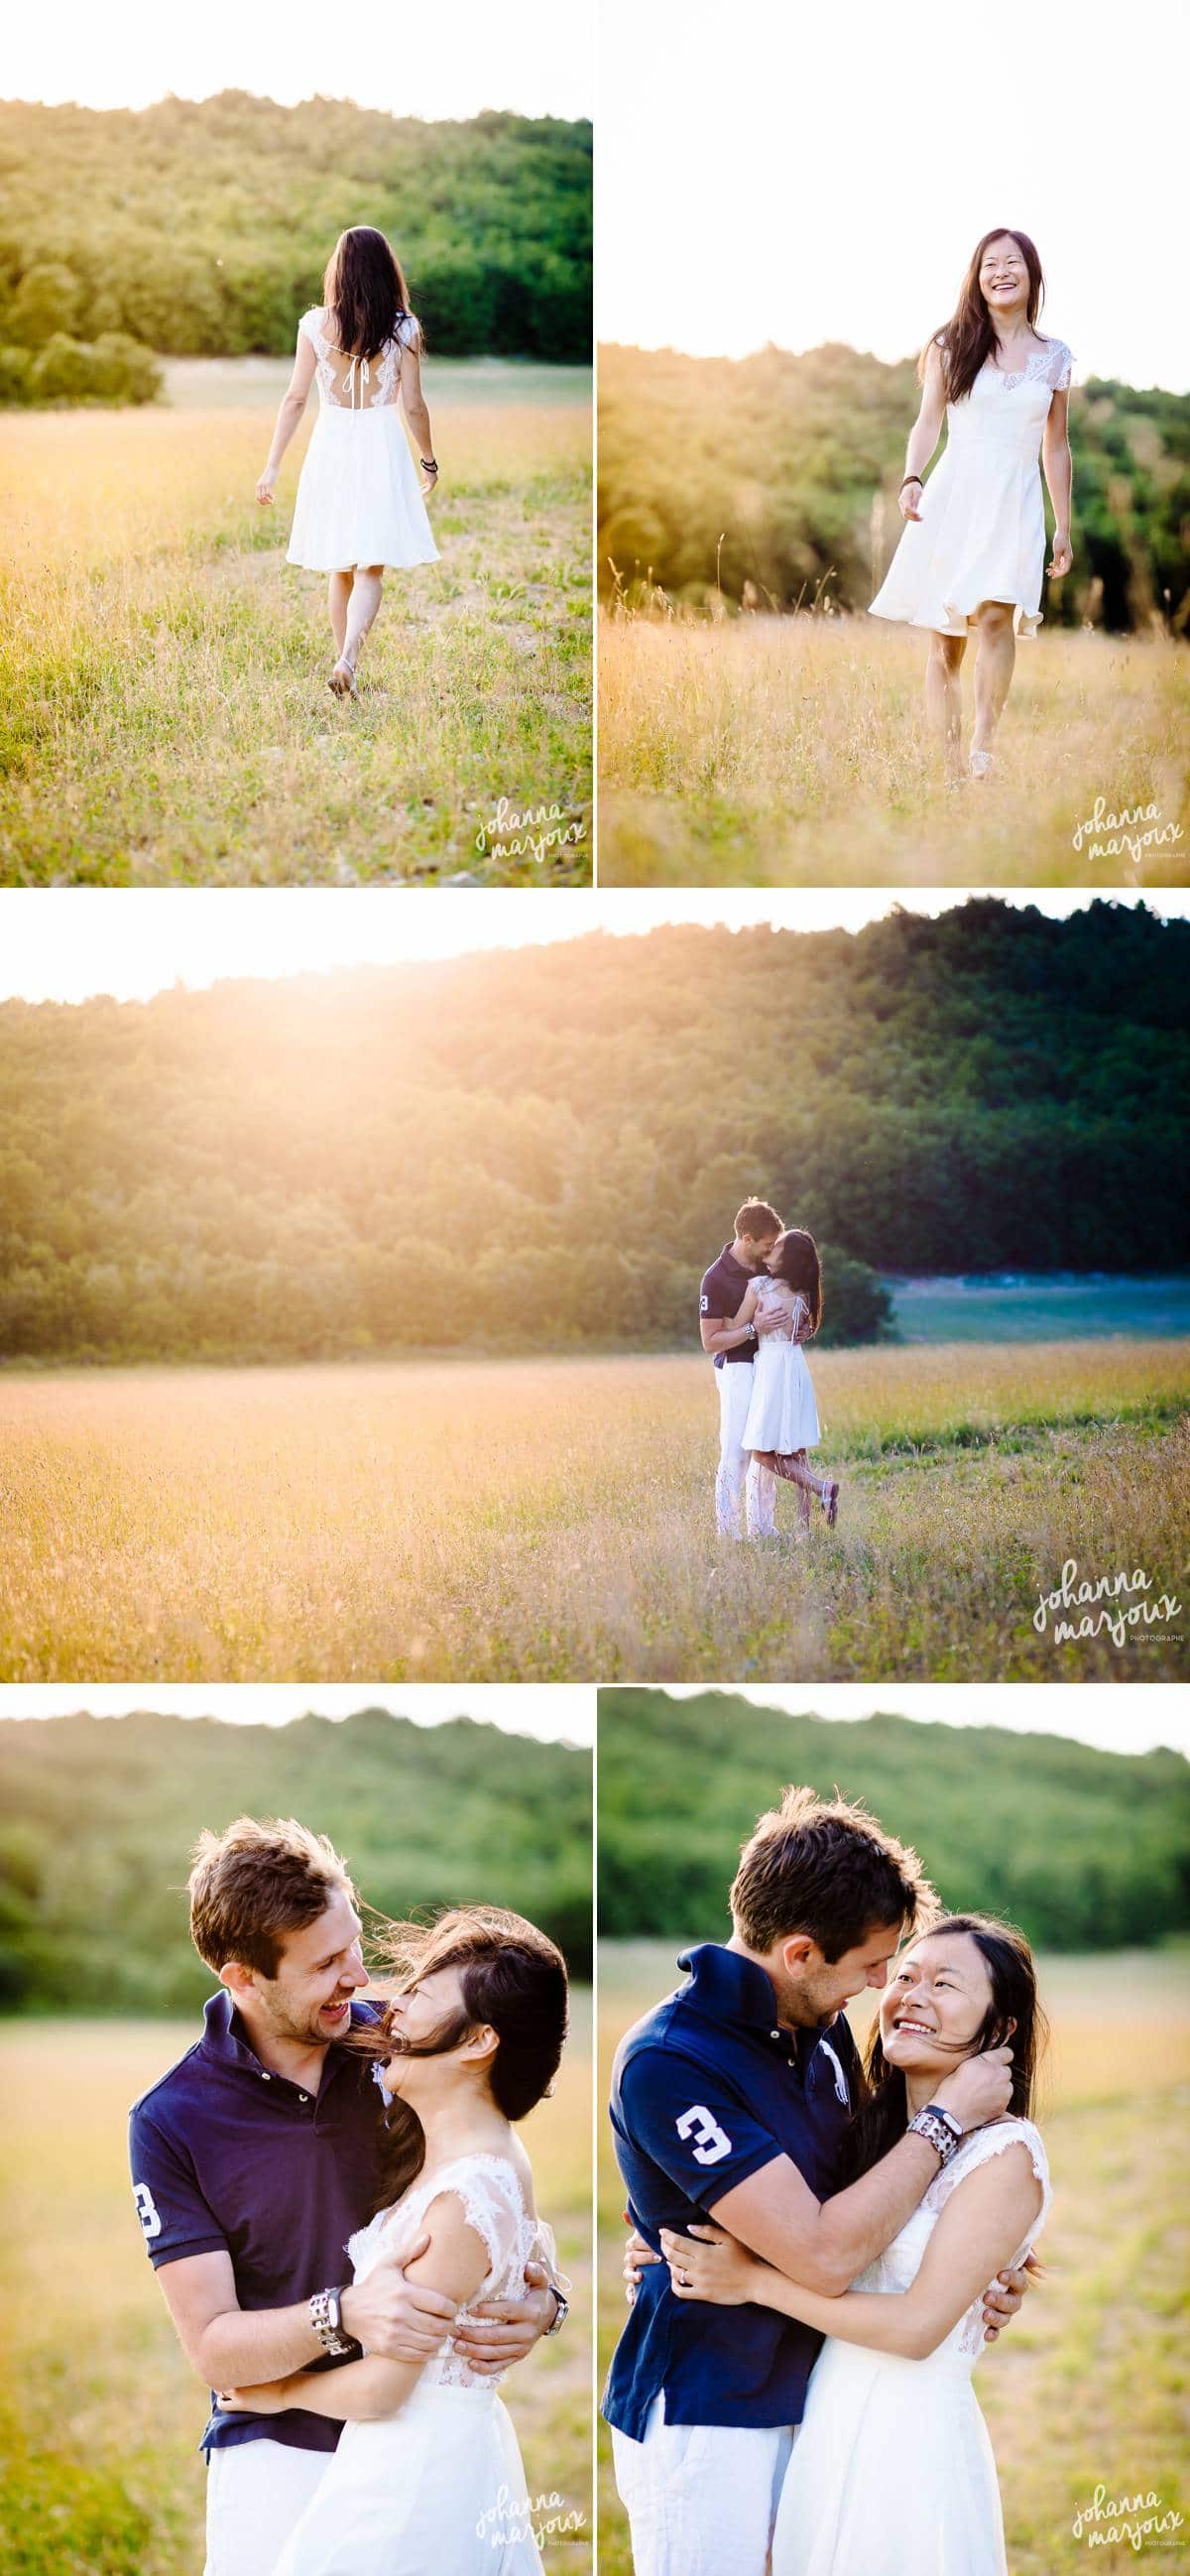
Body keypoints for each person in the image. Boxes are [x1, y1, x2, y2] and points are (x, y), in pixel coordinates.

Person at [603, 1787, 1031, 2576]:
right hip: (711, 2411)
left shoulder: (818, 2025)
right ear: (799, 1953)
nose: (880, 1987)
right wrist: (949, 2121)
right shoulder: (670, 2058)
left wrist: (977, 2271)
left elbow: (879, 2194)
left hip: (829, 2399)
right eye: (875, 1964)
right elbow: (825, 2253)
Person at [129, 1818, 567, 2576]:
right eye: (328, 1961)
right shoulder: (171, 2118)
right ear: (241, 1976)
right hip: (275, 2445)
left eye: (355, 1944)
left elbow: (486, 2184)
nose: (361, 1978)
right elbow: (212, 2346)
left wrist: (545, 2299)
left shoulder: (399, 2052)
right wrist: (343, 2315)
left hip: (418, 2441)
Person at [661, 1914, 1050, 2576]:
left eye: (946, 1983)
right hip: (824, 2416)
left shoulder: (1005, 2153)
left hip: (910, 2441)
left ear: (1002, 2027)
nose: (912, 1994)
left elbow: (918, 2326)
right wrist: (660, 2239)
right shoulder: (868, 2131)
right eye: (905, 1975)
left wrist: (753, 2281)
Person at [221, 1902, 570, 2576]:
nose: (393, 2009)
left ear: (478, 2041)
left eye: (418, 1994)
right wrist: (549, 2300)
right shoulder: (481, 2159)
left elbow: (385, 2387)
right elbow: (528, 2264)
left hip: (414, 2470)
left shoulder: (466, 2194)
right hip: (431, 2449)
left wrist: (277, 2392)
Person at [870, 227, 1074, 781]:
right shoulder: (949, 343)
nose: (1001, 272)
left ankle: (984, 746)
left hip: (1017, 499)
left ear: (1031, 274)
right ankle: (949, 768)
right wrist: (912, 476)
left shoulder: (1055, 358)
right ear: (976, 276)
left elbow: (1056, 446)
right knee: (945, 640)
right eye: (990, 264)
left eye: (1013, 262)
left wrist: (1063, 526)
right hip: (956, 495)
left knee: (994, 616)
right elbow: (928, 420)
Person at [255, 227, 440, 698]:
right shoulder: (405, 328)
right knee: (369, 567)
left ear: (340, 268)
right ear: (385, 268)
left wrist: (272, 465)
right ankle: (348, 661)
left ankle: (346, 664)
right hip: (379, 442)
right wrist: (429, 460)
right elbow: (414, 405)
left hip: (331, 443)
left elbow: (295, 398)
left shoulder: (314, 325)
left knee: (341, 565)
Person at [721, 1227, 839, 1538]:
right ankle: (804, 1532)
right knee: (798, 1452)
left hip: (772, 1371)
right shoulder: (805, 1293)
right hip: (796, 1367)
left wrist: (751, 1324)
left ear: (786, 1260)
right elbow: (805, 1329)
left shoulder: (759, 1286)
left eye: (775, 1249)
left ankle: (822, 1487)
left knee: (761, 1451)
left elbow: (734, 1326)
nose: (768, 1251)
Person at [699, 1199, 795, 1540]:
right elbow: (711, 1341)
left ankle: (762, 1529)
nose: (772, 1249)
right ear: (746, 1237)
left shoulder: (769, 1267)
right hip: (736, 1367)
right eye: (767, 1243)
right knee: (737, 1450)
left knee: (766, 1448)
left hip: (769, 1364)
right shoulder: (715, 1278)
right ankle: (728, 1533)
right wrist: (753, 1328)